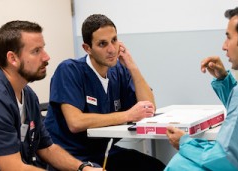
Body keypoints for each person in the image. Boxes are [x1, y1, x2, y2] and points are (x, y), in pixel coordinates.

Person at [0, 20, 102, 171]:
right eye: (36, 51)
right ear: (12, 58)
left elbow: (47, 148)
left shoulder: (28, 95)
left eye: (43, 49)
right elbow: (13, 168)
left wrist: (83, 168)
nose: (46, 57)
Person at [44, 14, 165, 171]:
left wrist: (132, 66)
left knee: (155, 167)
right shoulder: (69, 70)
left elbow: (149, 107)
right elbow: (76, 122)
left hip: (102, 153)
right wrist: (128, 115)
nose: (111, 49)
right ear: (87, 48)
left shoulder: (119, 71)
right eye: (102, 44)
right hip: (71, 157)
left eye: (114, 40)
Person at [164, 4, 238, 171]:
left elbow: (228, 159)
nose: (224, 46)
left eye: (228, 37)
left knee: (179, 165)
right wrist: (223, 80)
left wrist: (185, 143)